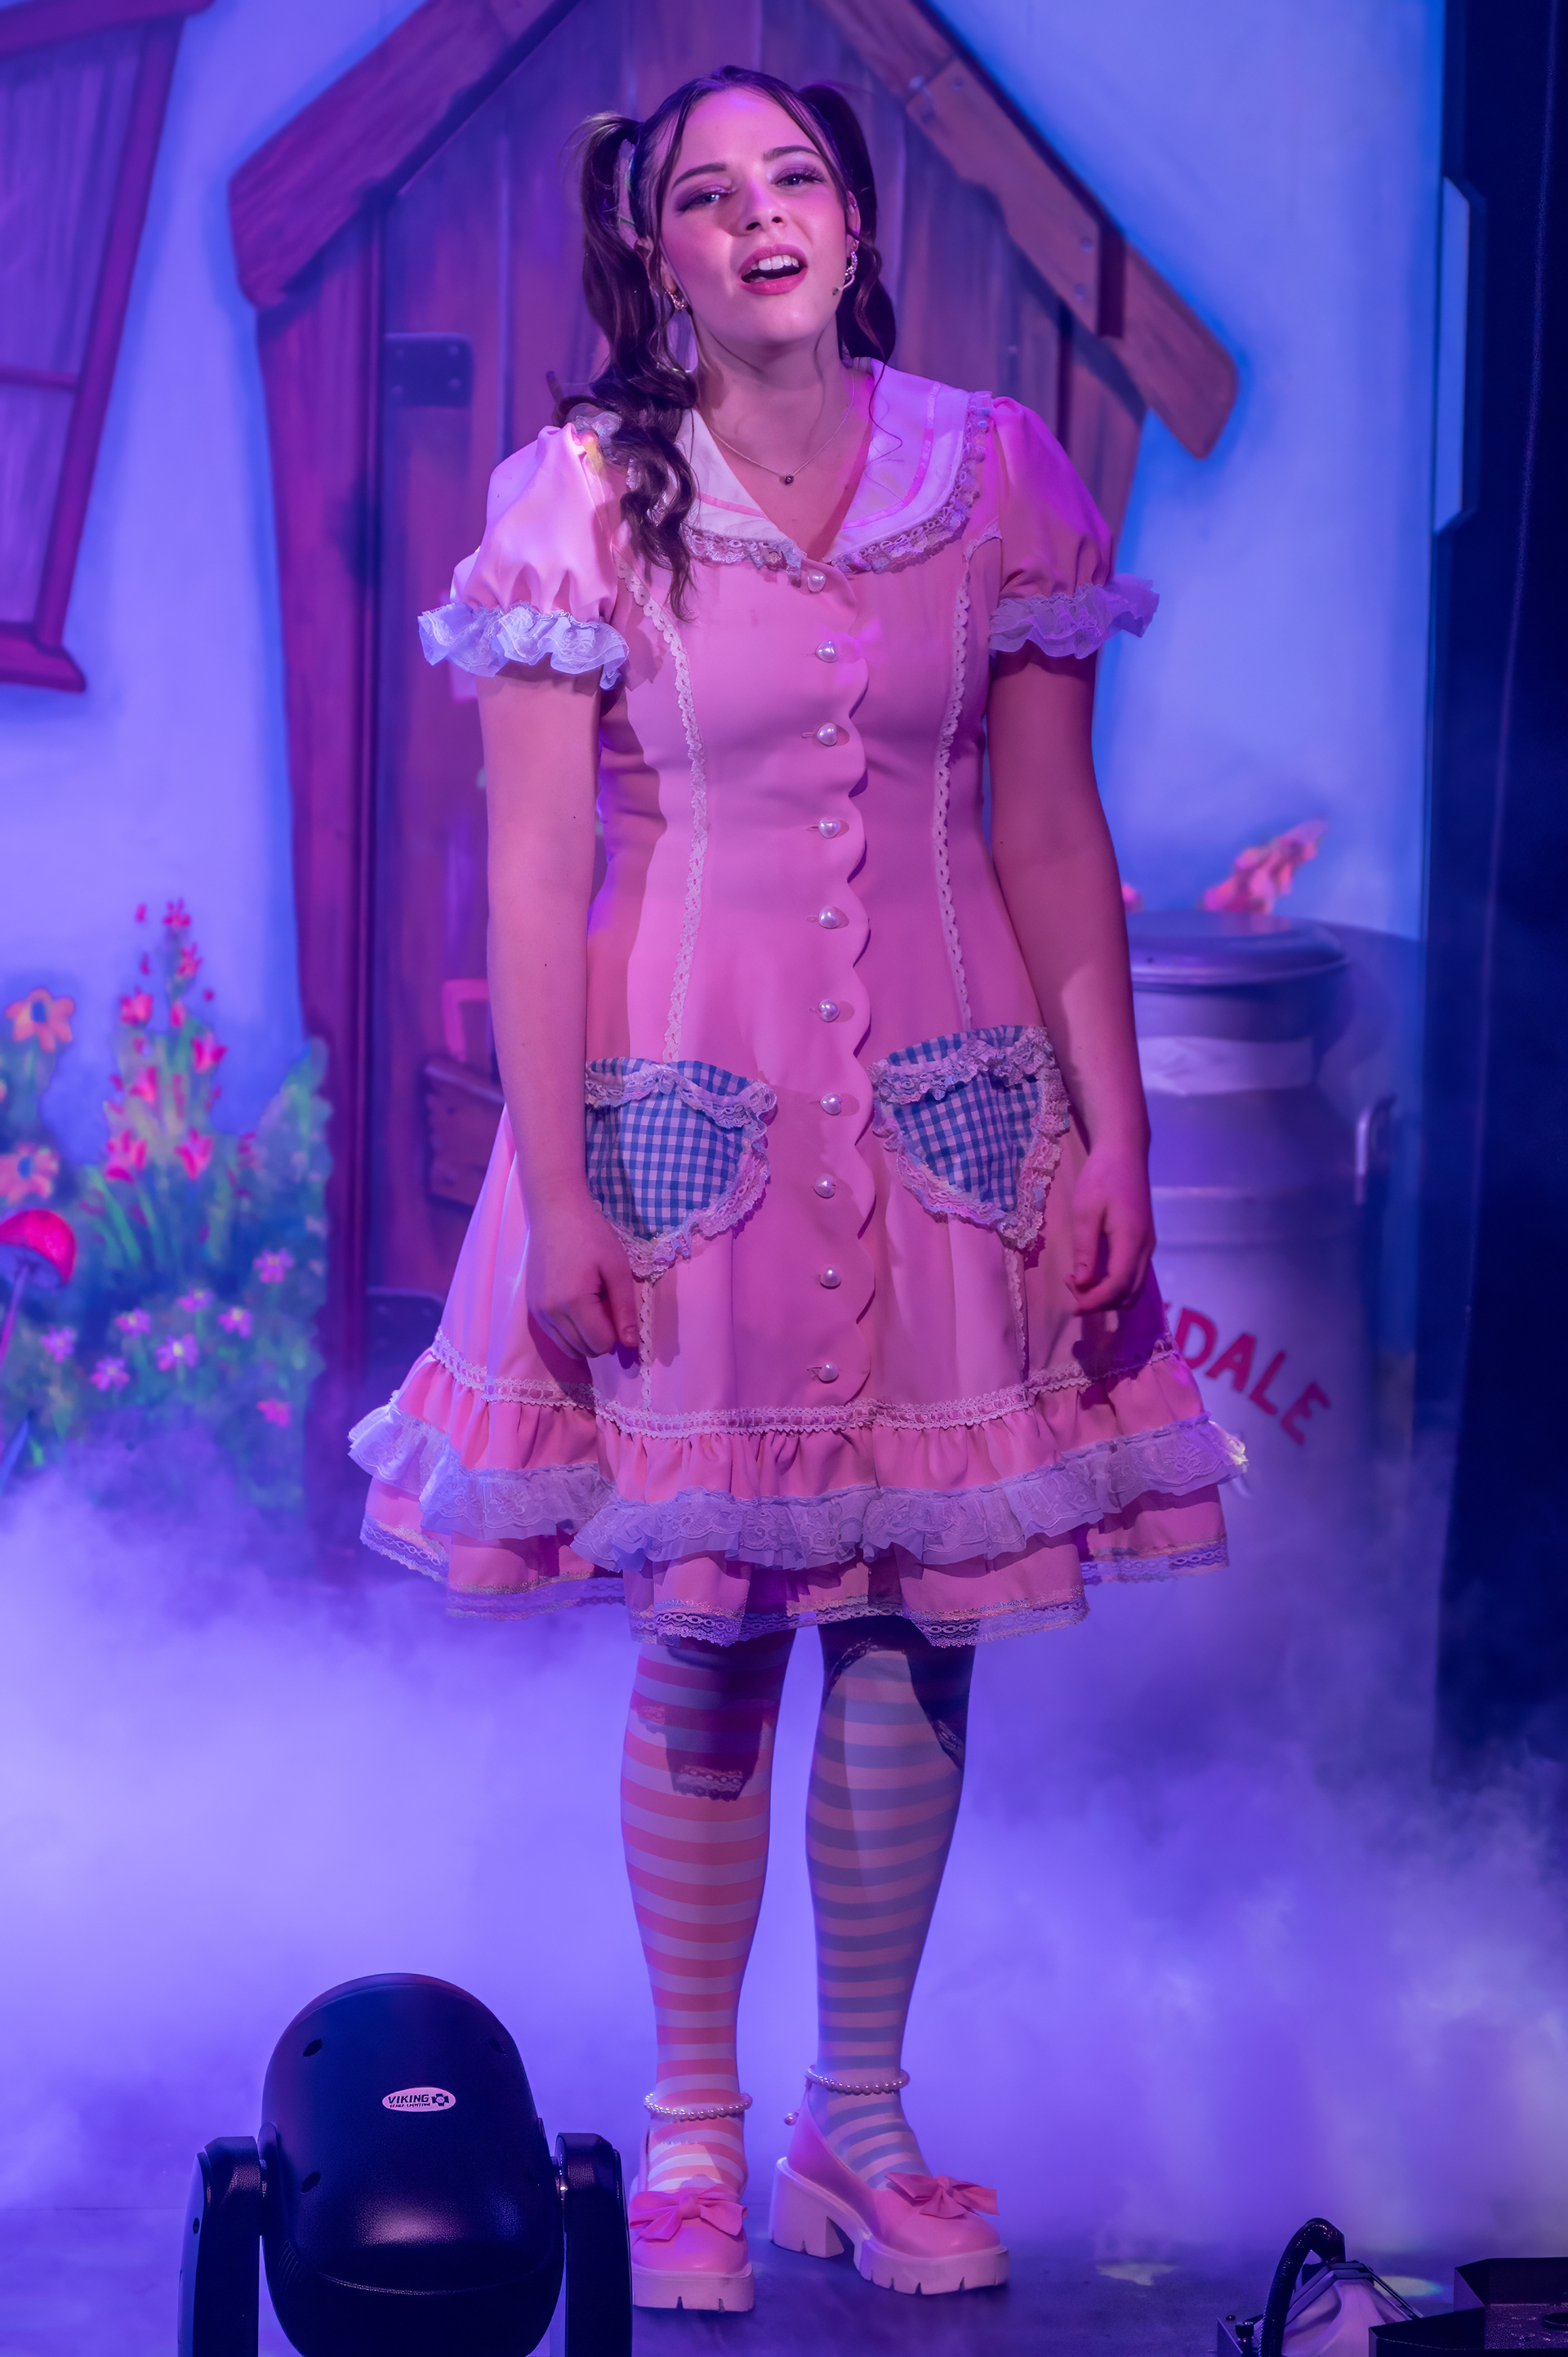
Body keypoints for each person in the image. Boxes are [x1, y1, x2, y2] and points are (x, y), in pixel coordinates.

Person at [353, 64, 1237, 2313]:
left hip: (953, 1117)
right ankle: (688, 2132)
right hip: (686, 1122)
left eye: (800, 179)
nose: (763, 216)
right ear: (655, 252)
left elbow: (1048, 830)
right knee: (711, 1614)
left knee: (921, 1619)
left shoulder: (994, 475)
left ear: (852, 224)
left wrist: (1116, 1126)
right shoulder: (580, 500)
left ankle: (860, 2123)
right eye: (710, 193)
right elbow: (534, 871)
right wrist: (561, 1192)